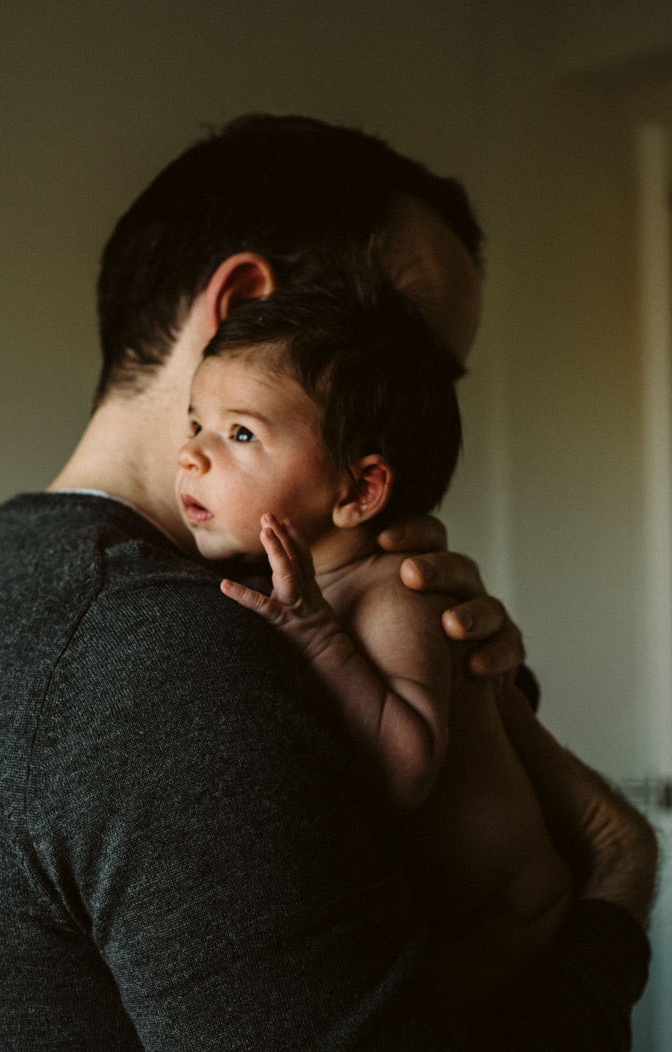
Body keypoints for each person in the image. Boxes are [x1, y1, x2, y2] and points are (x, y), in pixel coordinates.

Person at [0, 114, 656, 1052]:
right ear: (248, 304)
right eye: (407, 357)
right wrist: (614, 884)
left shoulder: (2, 577)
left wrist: (473, 680)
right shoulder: (174, 657)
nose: (413, 428)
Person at [175, 267, 574, 993]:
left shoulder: (397, 588)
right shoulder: (288, 587)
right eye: (195, 423)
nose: (192, 454)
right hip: (438, 910)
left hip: (509, 910)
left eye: (239, 433)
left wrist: (316, 636)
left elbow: (407, 767)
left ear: (358, 491)